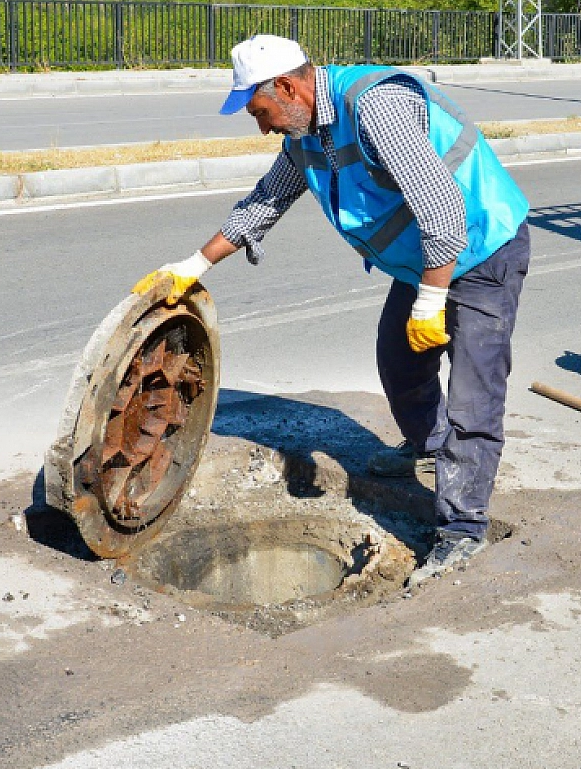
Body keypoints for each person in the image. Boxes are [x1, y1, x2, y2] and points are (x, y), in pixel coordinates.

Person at [134, 35, 530, 584]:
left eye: (261, 111)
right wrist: (195, 265)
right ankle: (432, 449)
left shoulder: (375, 109)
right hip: (428, 260)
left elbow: (444, 211)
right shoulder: (307, 132)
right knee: (399, 360)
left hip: (482, 248)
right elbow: (267, 201)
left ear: (289, 88)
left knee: (474, 391)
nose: (262, 126)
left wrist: (433, 301)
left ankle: (462, 530)